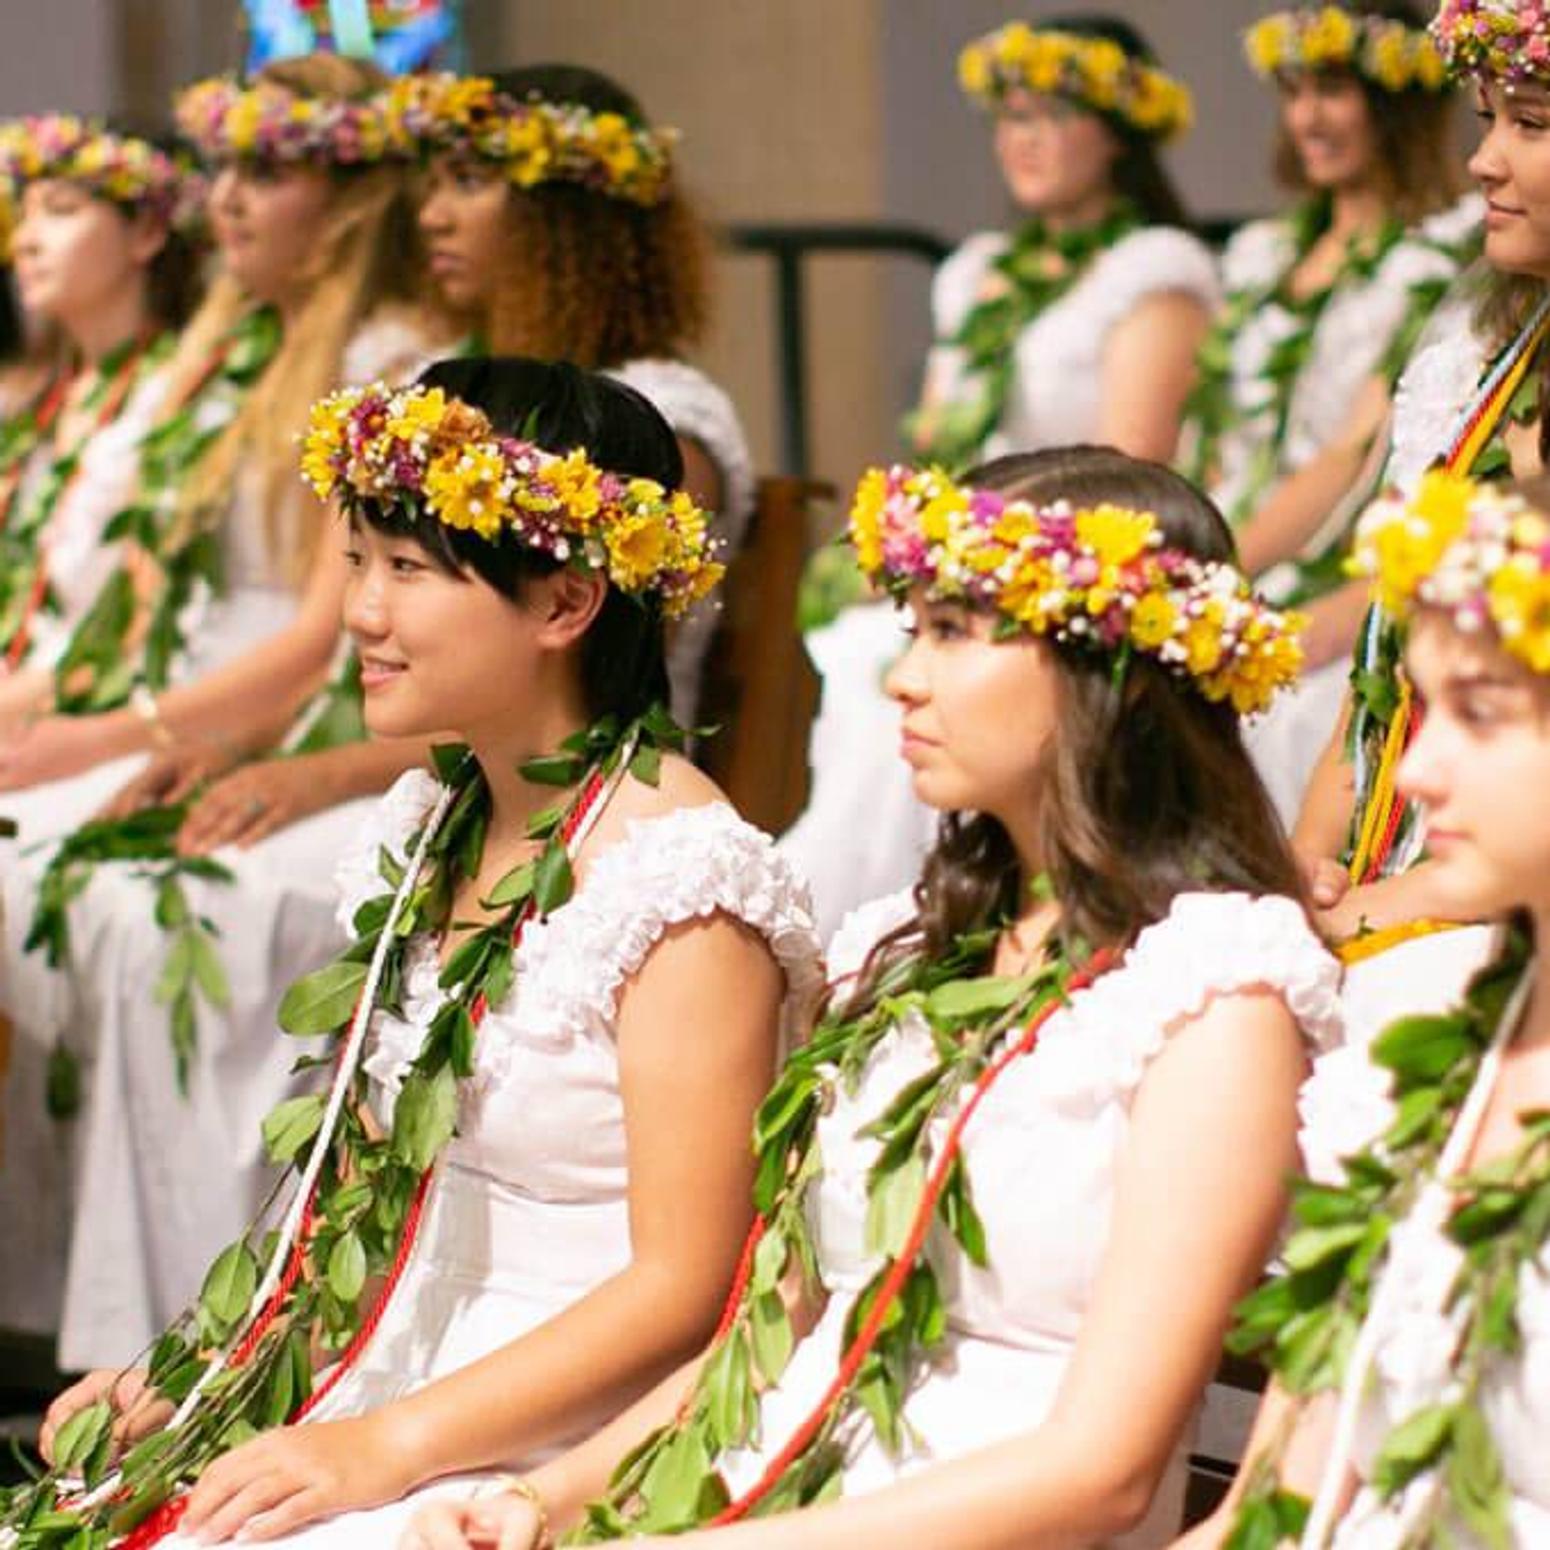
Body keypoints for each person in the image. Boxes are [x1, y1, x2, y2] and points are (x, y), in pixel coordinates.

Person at [409, 446, 1337, 1550]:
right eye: (913, 629)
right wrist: (545, 1497)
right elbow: (773, 1328)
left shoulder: (1217, 994)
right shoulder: (906, 954)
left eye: (951, 631)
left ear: (1105, 666)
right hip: (771, 1497)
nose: (899, 676)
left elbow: (1100, 1471)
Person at [13, 359, 820, 1550]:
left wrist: (378, 1448)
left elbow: (687, 1284)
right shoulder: (435, 821)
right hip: (395, 1356)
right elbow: (365, 1185)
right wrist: (212, 1364)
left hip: (567, 1430)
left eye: (405, 570)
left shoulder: (679, 881)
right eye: (355, 563)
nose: (358, 613)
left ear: (563, 603)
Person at [0, 54, 439, 1344]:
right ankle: (50, 1297)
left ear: (355, 195)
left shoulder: (391, 359)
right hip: (213, 697)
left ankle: (183, 1326)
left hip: (318, 710)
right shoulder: (236, 347)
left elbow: (320, 637)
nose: (227, 201)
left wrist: (116, 735)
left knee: (137, 906)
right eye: (225, 169)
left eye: (269, 170)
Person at [784, 15, 1219, 942]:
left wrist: (991, 560)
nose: (1022, 138)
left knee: (875, 658)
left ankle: (859, 915)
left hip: (1075, 556)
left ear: (1118, 132)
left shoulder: (1155, 268)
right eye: (1008, 116)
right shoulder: (978, 271)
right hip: (975, 552)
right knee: (859, 635)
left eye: (1052, 114)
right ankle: (873, 913)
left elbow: (1130, 466)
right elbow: (941, 434)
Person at [1180, 471, 1550, 1547]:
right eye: (1421, 709)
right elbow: (1273, 1496)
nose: (1417, 769)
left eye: (1475, 713)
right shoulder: (1445, 1027)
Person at [1293, 0, 1550, 1039]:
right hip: (1410, 867)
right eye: (1482, 119)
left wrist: (1404, 901)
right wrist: (1306, 871)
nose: (1481, 163)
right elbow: (1377, 679)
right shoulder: (1467, 371)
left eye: (1527, 124)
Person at [1179, 1, 1479, 824]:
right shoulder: (1263, 254)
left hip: (1337, 556)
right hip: (1237, 540)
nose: (1308, 116)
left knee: (1280, 705)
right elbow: (1215, 432)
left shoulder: (1444, 255)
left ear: (1397, 105)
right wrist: (1186, 554)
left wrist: (1214, 574)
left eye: (1334, 91)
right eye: (1295, 91)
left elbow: (1350, 455)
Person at [393, 62, 751, 722]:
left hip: (578, 791)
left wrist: (319, 777)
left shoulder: (663, 418)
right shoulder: (443, 379)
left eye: (468, 183)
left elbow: (587, 698)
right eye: (433, 185)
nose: (431, 217)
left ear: (565, 218)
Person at [0, 114, 205, 728]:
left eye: (59, 211)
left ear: (145, 231)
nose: (25, 242)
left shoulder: (177, 399)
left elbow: (137, 627)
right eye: (26, 215)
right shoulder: (49, 397)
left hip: (94, 713)